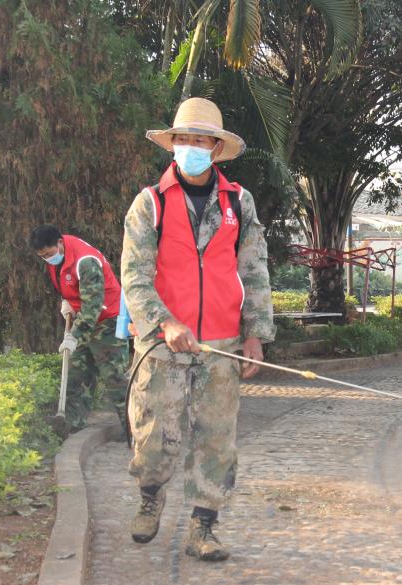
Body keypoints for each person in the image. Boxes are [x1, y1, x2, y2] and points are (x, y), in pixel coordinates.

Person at [120, 97, 275, 560]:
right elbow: (134, 275)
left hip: (221, 343)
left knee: (216, 438)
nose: (192, 147)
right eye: (184, 139)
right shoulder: (149, 204)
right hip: (161, 344)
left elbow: (254, 269)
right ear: (173, 145)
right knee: (153, 433)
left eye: (201, 140)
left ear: (215, 148)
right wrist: (164, 322)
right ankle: (150, 496)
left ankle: (203, 527)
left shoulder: (238, 202)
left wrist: (255, 334)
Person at [31, 225, 128, 433]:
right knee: (77, 372)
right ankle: (72, 425)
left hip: (108, 319)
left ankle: (134, 429)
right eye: (42, 257)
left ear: (59, 243)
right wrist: (68, 303)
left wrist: (73, 336)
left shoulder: (86, 262)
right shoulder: (58, 256)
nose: (47, 259)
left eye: (48, 254)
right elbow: (70, 286)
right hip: (84, 318)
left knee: (114, 376)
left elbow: (93, 306)